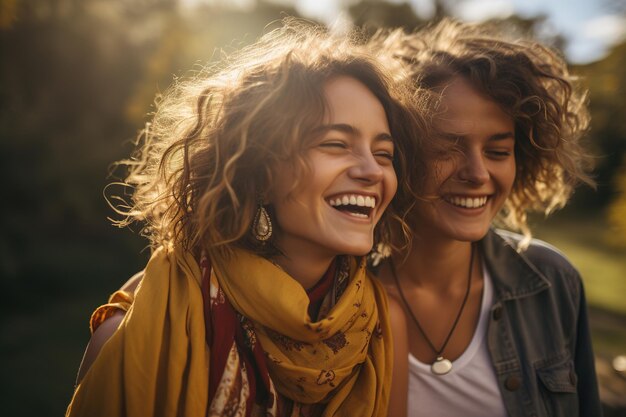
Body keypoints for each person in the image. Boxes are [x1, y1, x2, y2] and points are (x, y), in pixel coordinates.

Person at [66, 21, 426, 417]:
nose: (372, 171)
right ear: (261, 172)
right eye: (335, 144)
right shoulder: (148, 321)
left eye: (384, 154)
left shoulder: (381, 323)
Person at [370, 19, 603, 417]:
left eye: (497, 152)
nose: (478, 174)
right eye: (448, 147)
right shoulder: (340, 293)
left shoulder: (553, 282)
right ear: (401, 152)